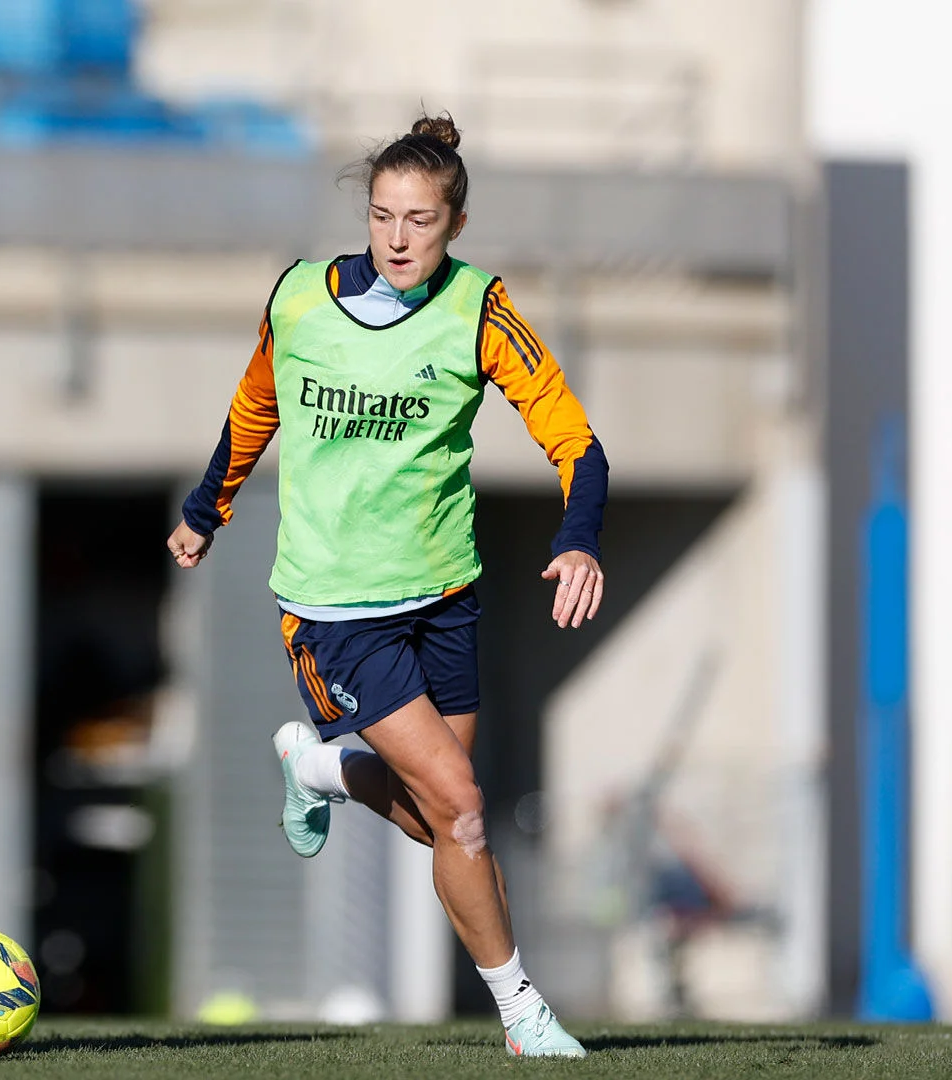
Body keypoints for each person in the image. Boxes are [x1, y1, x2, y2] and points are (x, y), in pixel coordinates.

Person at [167, 115, 606, 1058]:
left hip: (445, 596)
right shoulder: (298, 299)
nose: (398, 239)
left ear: (454, 223)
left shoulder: (479, 311)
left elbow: (575, 439)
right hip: (333, 610)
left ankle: (318, 767)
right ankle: (524, 1014)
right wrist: (209, 508)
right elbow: (256, 404)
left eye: (420, 220)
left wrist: (578, 539)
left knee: (448, 819)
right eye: (381, 217)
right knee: (461, 809)